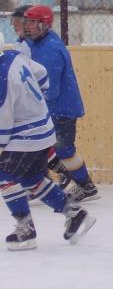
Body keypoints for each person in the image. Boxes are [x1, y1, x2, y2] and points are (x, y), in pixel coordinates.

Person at [0, 49, 96, 250]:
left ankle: (25, 230)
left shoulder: (1, 81)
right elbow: (42, 73)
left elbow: (4, 123)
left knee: (5, 177)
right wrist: (33, 103)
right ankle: (75, 213)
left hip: (25, 135)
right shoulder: (13, 56)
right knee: (31, 179)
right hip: (44, 126)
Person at [22, 5, 98, 202]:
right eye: (27, 21)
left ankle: (85, 186)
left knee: (63, 149)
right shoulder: (36, 43)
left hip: (61, 109)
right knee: (38, 147)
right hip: (50, 109)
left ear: (44, 24)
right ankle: (43, 182)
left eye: (32, 22)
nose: (28, 26)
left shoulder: (51, 49)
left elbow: (50, 88)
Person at [8, 5, 73, 192]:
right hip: (28, 105)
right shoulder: (23, 44)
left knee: (38, 145)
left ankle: (59, 179)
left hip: (35, 107)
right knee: (36, 145)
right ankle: (43, 180)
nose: (16, 26)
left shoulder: (34, 46)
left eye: (19, 22)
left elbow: (41, 79)